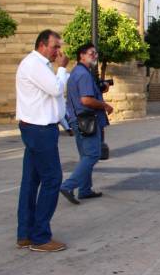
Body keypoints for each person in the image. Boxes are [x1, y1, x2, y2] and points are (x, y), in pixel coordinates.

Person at [15, 29, 69, 252]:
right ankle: (40, 237)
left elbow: (51, 101)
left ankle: (26, 233)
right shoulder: (34, 65)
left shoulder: (41, 65)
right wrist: (63, 68)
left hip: (39, 128)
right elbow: (56, 89)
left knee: (31, 180)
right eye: (55, 46)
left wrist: (65, 123)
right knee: (52, 179)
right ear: (42, 45)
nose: (58, 51)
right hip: (39, 130)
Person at [59, 43, 113, 205]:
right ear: (81, 55)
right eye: (91, 53)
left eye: (96, 53)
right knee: (92, 155)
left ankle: (85, 189)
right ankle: (68, 186)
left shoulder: (78, 72)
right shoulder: (83, 74)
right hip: (86, 120)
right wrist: (105, 105)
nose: (95, 55)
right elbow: (86, 100)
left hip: (79, 120)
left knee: (85, 155)